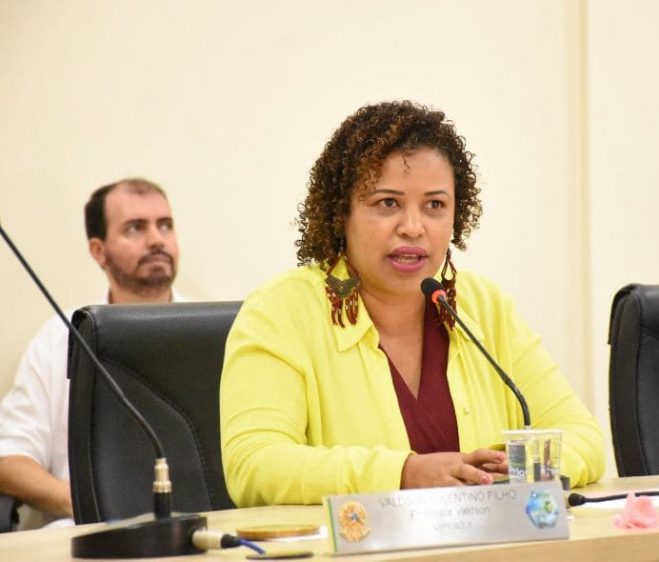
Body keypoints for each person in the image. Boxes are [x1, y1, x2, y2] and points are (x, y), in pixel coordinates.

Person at [220, 101, 605, 506]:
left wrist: (510, 469)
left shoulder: (483, 307)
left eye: (434, 205)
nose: (413, 227)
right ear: (341, 213)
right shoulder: (281, 312)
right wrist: (402, 475)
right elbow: (254, 463)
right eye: (388, 203)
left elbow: (583, 436)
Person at [0, 178, 182, 527]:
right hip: (87, 528)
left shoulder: (211, 330)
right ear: (99, 251)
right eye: (135, 228)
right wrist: (91, 505)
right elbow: (9, 458)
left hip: (199, 526)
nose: (156, 239)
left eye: (165, 225)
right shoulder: (61, 335)